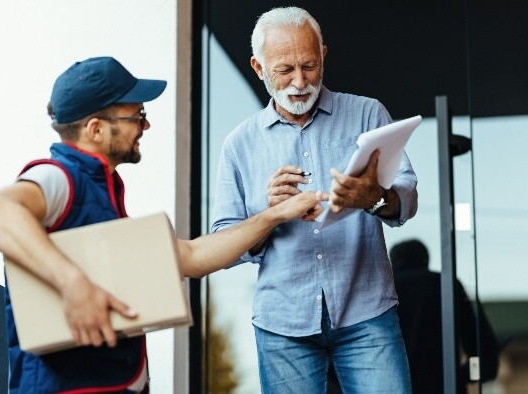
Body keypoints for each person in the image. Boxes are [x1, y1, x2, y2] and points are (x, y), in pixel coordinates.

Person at [0, 56, 323, 393]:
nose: (146, 125)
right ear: (95, 128)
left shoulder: (102, 190)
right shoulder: (59, 178)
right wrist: (72, 284)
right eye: (136, 116)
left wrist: (275, 215)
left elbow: (189, 256)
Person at [211, 7, 418, 393]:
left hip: (367, 312)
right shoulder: (239, 144)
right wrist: (268, 214)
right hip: (282, 325)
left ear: (323, 54)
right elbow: (224, 240)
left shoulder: (368, 114)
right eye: (284, 70)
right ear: (259, 68)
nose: (300, 81)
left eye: (309, 65)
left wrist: (374, 198)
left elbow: (406, 198)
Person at [389, 239, 500, 393]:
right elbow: (482, 350)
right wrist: (459, 375)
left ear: (393, 262)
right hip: (444, 387)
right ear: (425, 260)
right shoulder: (445, 284)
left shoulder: (383, 289)